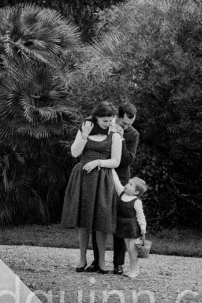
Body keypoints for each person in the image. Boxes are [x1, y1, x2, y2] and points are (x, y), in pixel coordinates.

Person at [61, 101, 122, 273]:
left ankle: (102, 262)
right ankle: (82, 260)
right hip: (83, 179)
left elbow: (116, 162)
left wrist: (97, 162)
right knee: (83, 222)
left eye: (110, 120)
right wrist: (84, 135)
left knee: (100, 221)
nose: (108, 123)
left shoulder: (114, 135)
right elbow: (75, 153)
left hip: (102, 180)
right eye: (105, 121)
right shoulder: (85, 130)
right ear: (96, 118)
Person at [89, 102, 140, 274]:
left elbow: (127, 160)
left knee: (121, 220)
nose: (126, 127)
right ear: (117, 116)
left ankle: (118, 264)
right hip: (101, 175)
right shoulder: (103, 126)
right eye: (123, 123)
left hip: (122, 178)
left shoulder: (133, 134)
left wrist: (122, 139)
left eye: (129, 125)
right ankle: (98, 261)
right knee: (99, 217)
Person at [112, 171, 147, 278]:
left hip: (132, 228)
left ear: (136, 192)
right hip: (123, 226)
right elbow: (116, 182)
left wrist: (143, 227)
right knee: (128, 248)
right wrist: (113, 169)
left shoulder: (136, 201)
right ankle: (132, 269)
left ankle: (134, 270)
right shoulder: (122, 193)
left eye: (131, 185)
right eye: (128, 183)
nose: (127, 185)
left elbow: (140, 215)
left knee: (132, 250)